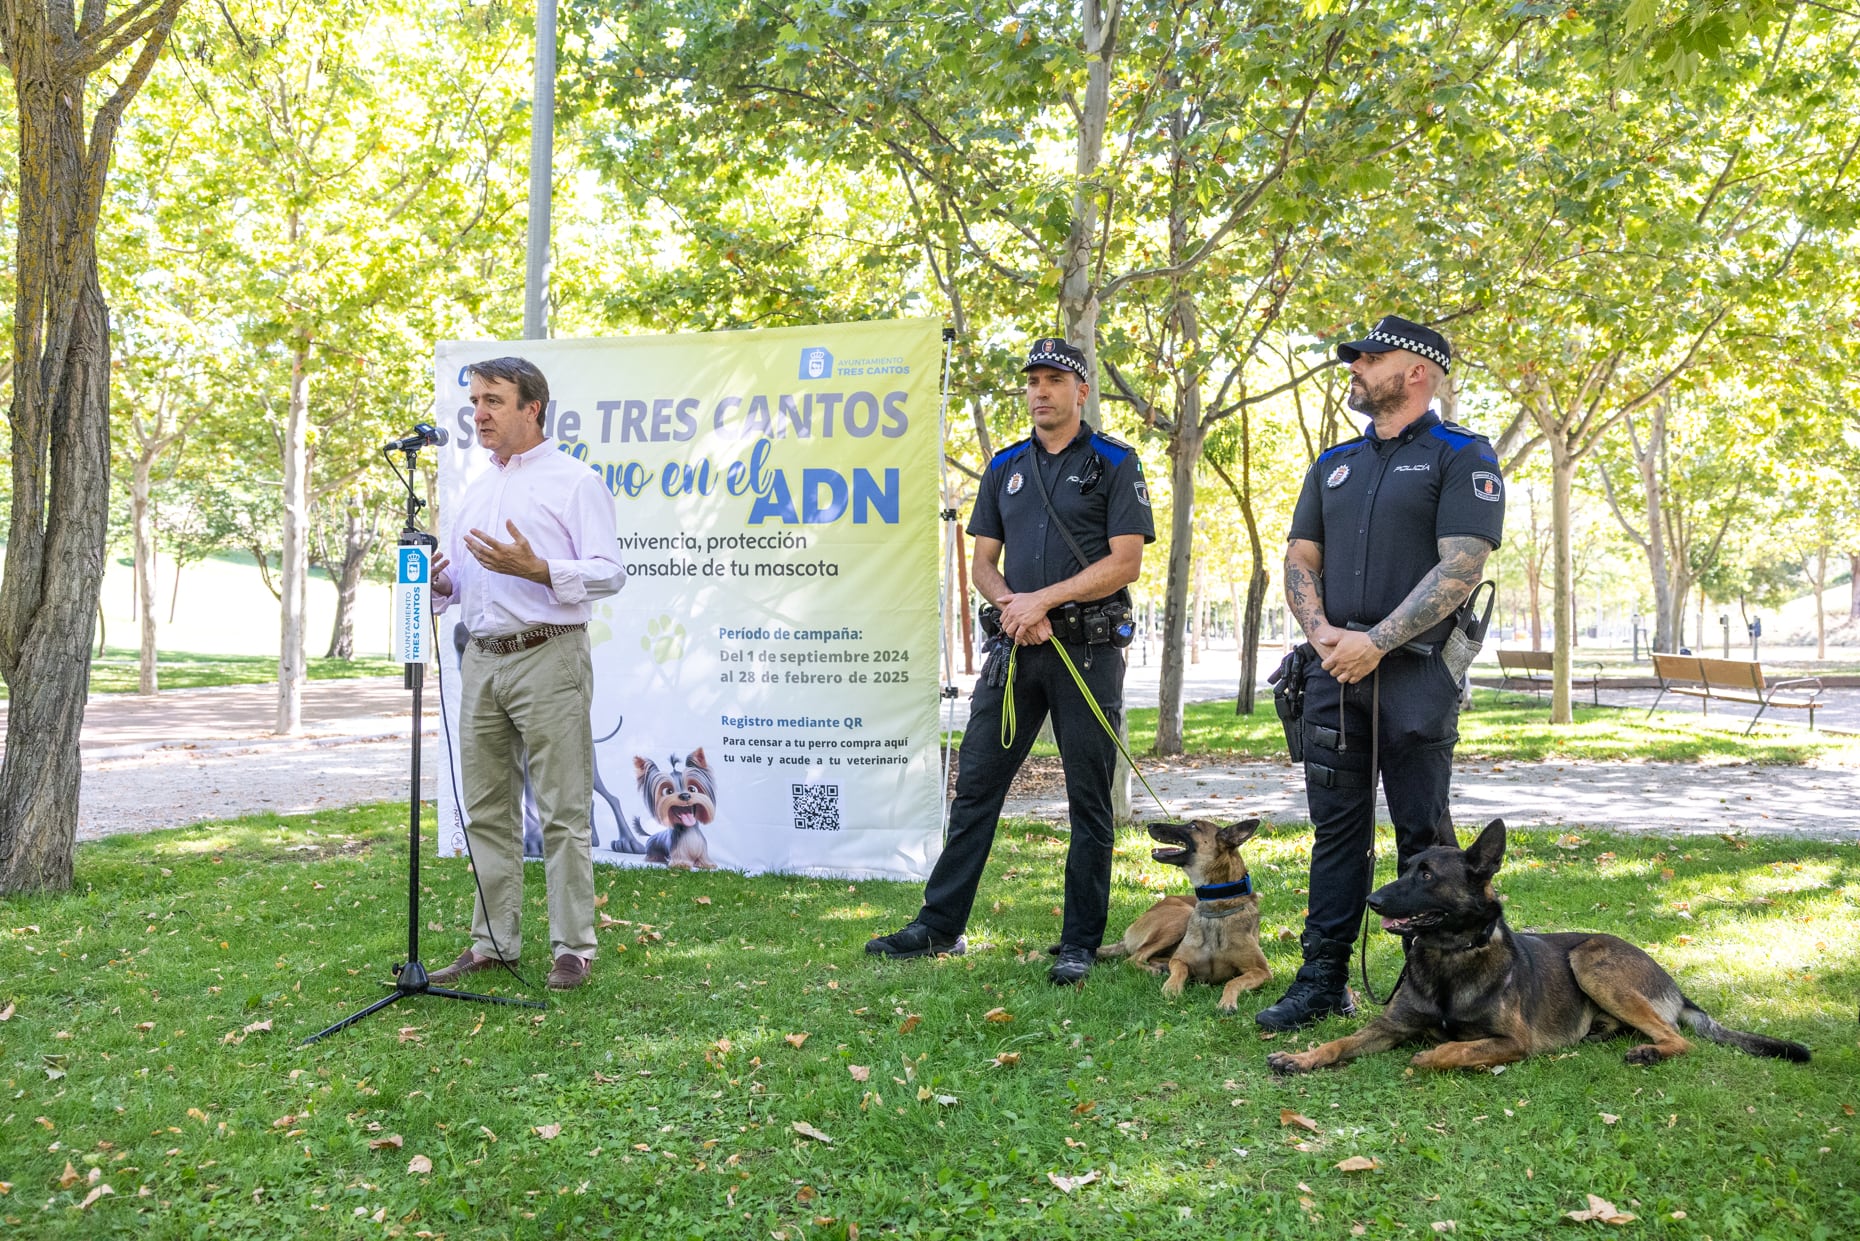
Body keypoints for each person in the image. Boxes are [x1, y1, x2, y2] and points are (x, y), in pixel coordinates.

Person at [866, 338, 1155, 985]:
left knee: (1088, 800)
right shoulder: (1006, 467)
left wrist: (1040, 601)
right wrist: (1014, 607)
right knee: (975, 787)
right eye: (1033, 380)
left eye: (1055, 379)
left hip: (1087, 651)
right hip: (1015, 653)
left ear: (1082, 390)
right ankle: (940, 926)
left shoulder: (1114, 462)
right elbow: (982, 564)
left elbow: (1125, 561)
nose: (1040, 390)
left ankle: (1079, 940)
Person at [1256, 315, 1505, 1031]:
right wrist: (1325, 634)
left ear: (1418, 370)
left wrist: (1380, 641)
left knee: (1422, 836)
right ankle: (1321, 979)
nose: (1357, 368)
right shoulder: (1334, 462)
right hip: (1333, 672)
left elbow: (1462, 566)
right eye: (1356, 358)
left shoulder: (1463, 455)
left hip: (1417, 676)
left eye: (1371, 357)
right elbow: (1301, 557)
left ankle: (1427, 986)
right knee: (1335, 832)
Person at [426, 356, 626, 991]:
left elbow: (610, 571)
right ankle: (494, 942)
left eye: (493, 401)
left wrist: (540, 569)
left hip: (549, 652)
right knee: (486, 810)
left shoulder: (574, 481)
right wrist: (440, 581)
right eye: (475, 402)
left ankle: (574, 947)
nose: (479, 413)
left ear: (531, 407)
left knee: (563, 809)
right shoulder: (474, 488)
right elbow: (462, 582)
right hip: (481, 659)